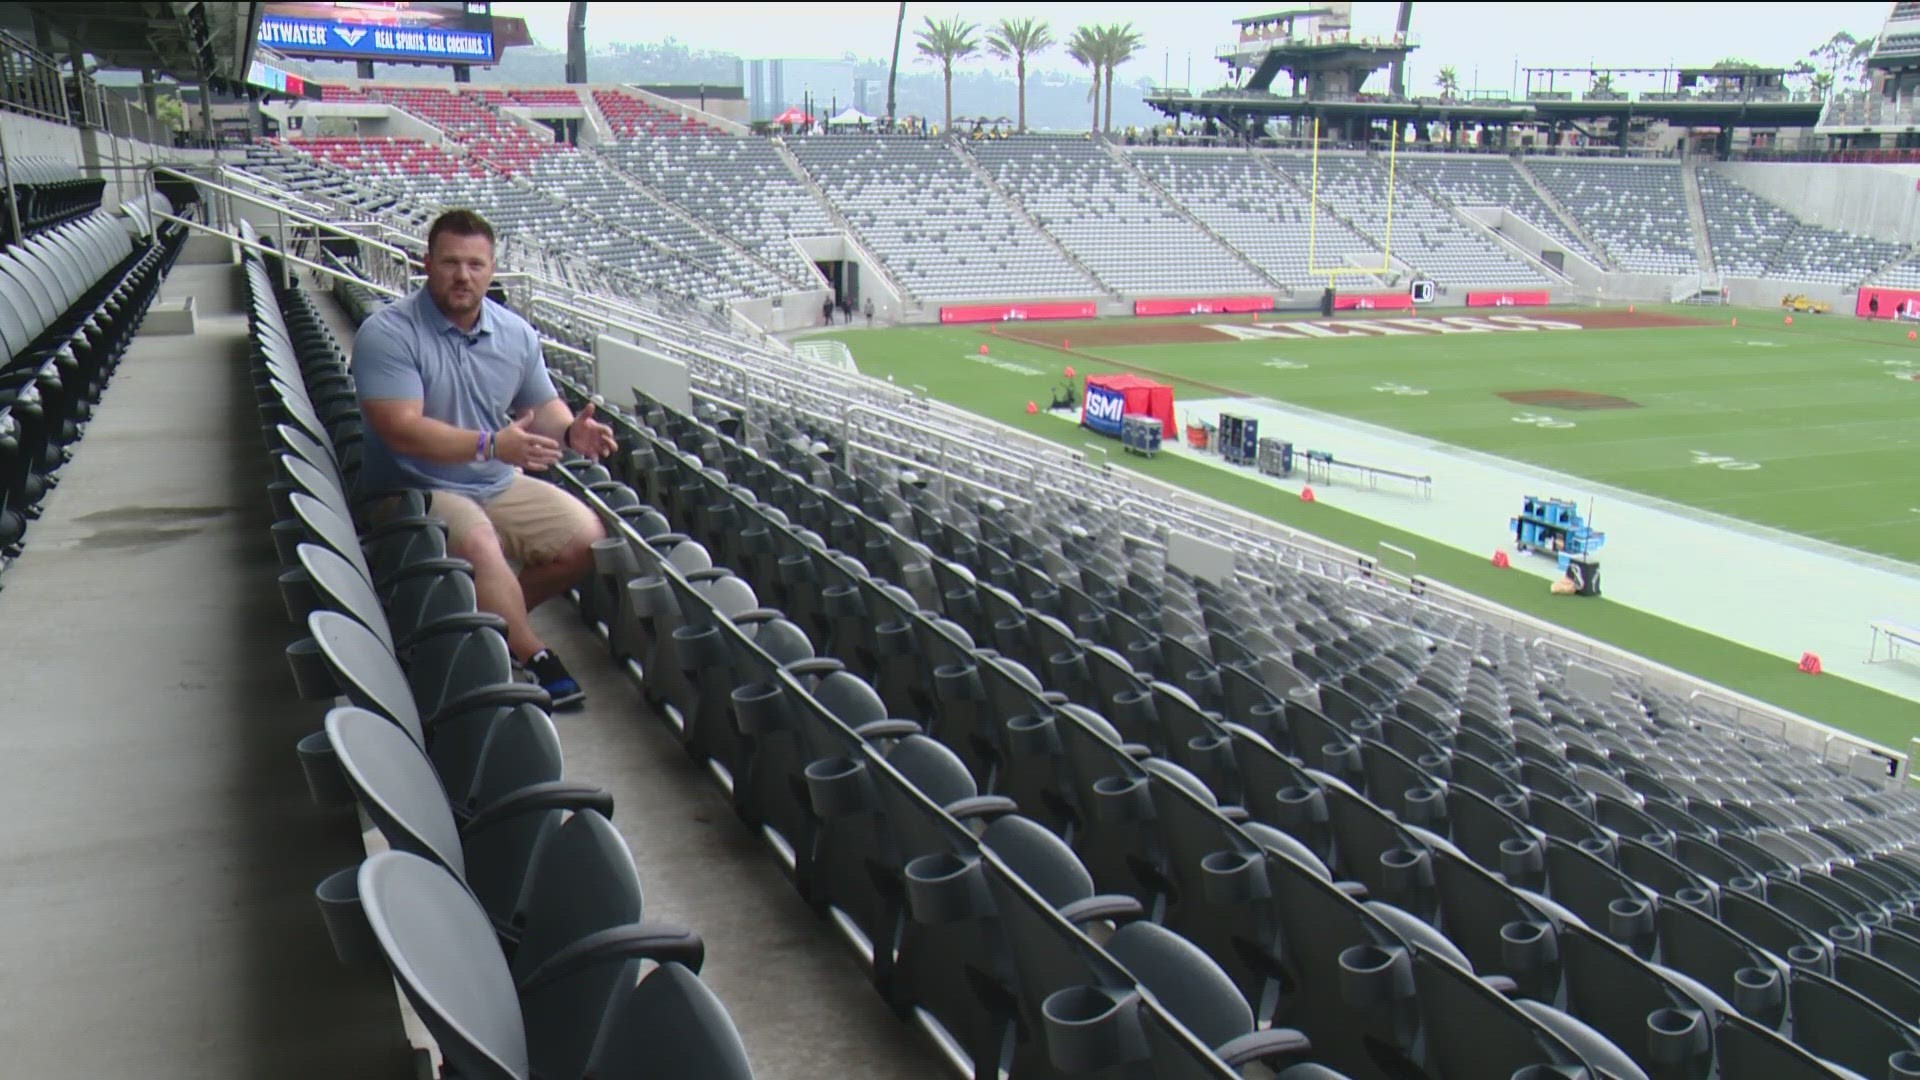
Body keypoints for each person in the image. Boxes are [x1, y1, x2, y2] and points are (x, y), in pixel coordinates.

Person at [350, 209, 618, 709]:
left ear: (492, 268)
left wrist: (570, 431)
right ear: (426, 264)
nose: (463, 276)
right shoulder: (387, 333)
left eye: (475, 264)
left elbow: (542, 409)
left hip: (492, 479)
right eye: (450, 263)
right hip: (411, 487)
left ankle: (485, 627)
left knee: (586, 539)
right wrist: (491, 445)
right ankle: (529, 652)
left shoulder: (515, 333)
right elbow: (401, 431)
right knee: (479, 538)